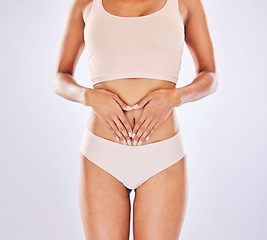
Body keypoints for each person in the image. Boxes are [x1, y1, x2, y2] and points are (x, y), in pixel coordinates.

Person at [52, 0, 218, 238]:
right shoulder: (86, 4)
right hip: (102, 155)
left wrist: (175, 97)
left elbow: (209, 75)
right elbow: (60, 76)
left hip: (163, 156)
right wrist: (88, 96)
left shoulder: (184, 3)